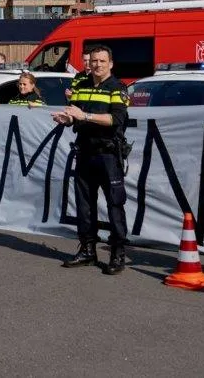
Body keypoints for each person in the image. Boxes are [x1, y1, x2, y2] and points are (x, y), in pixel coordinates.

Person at [53, 46, 131, 275]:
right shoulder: (81, 86)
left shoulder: (118, 87)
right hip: (85, 152)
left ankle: (117, 253)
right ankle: (88, 250)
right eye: (94, 61)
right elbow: (75, 115)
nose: (97, 65)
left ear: (111, 64)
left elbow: (116, 119)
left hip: (108, 155)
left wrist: (84, 116)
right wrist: (67, 119)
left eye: (102, 61)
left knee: (115, 205)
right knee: (84, 205)